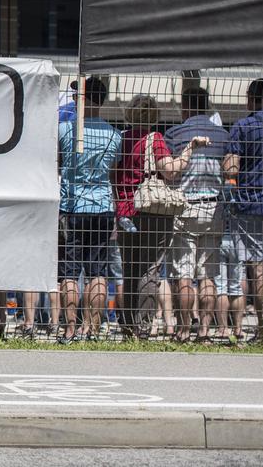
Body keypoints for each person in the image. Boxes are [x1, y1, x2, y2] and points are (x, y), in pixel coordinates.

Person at [112, 94, 205, 340]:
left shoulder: (121, 139)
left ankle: (128, 326)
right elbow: (171, 171)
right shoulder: (155, 139)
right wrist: (189, 149)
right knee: (150, 269)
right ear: (154, 116)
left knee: (130, 270)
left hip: (125, 212)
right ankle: (143, 326)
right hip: (152, 211)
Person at [56, 77, 121, 342]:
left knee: (69, 272)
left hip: (72, 205)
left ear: (83, 99)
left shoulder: (64, 130)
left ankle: (70, 328)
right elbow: (113, 172)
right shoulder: (114, 135)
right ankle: (91, 328)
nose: (73, 99)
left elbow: (56, 163)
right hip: (102, 205)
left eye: (76, 95)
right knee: (98, 272)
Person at [164, 87, 224, 344]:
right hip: (213, 209)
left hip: (185, 207)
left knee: (183, 275)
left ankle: (184, 329)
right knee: (207, 274)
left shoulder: (175, 134)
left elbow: (169, 173)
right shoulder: (222, 135)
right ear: (207, 105)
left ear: (184, 106)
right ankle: (205, 332)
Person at [223, 78, 263, 347]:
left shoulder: (243, 126)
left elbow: (231, 169)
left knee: (260, 268)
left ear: (250, 99)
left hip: (253, 202)